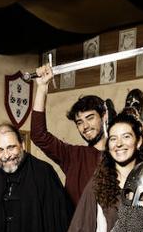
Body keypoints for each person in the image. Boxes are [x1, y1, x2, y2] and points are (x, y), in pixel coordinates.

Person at [46, 110, 143, 232]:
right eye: (113, 139)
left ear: (139, 141)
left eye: (126, 137)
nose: (119, 144)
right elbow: (81, 228)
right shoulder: (99, 182)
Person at [29, 64, 107, 206]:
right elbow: (38, 135)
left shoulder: (122, 153)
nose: (85, 126)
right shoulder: (73, 156)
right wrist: (42, 87)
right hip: (77, 227)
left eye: (90, 118)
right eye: (79, 122)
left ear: (104, 116)